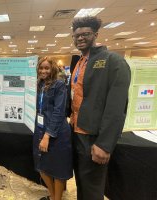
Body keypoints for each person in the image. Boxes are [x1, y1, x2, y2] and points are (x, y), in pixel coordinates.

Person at [68, 16, 131, 200]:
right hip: (76, 132)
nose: (80, 38)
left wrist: (104, 144)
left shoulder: (113, 61)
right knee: (81, 181)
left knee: (93, 189)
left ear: (95, 34)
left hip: (94, 137)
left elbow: (117, 107)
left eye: (85, 34)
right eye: (76, 35)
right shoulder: (79, 62)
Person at [33, 57, 73, 200]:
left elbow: (58, 112)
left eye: (47, 68)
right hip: (41, 129)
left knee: (58, 170)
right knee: (42, 167)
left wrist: (47, 136)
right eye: (41, 68)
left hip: (57, 133)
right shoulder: (40, 84)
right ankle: (53, 195)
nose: (43, 71)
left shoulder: (59, 85)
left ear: (53, 69)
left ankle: (57, 198)